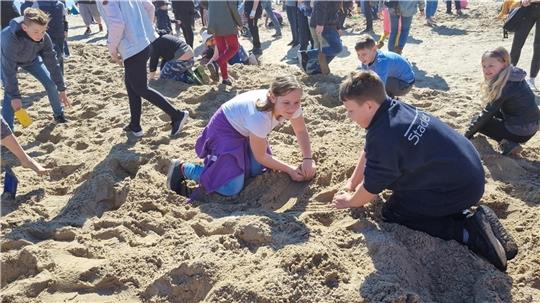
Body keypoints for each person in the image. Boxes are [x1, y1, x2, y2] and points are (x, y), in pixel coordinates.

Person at [332, 70, 517, 271]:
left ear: (368, 105)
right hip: (469, 174)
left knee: (394, 211)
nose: (349, 116)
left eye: (350, 110)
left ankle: (467, 231)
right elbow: (369, 151)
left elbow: (370, 189)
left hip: (458, 188)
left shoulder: (383, 136)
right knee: (414, 188)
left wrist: (349, 201)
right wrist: (351, 182)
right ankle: (474, 216)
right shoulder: (393, 109)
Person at [166, 75, 316, 197]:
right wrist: (290, 169)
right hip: (224, 130)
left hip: (245, 130)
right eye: (286, 102)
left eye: (297, 102)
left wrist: (307, 159)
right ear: (272, 97)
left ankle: (228, 168)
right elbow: (261, 156)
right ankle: (184, 169)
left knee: (256, 171)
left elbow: (301, 131)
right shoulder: (260, 117)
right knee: (231, 188)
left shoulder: (292, 105)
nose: (292, 107)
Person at [96, 0, 188, 137]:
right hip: (143, 43)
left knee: (140, 88)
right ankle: (135, 125)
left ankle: (177, 115)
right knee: (132, 86)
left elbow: (117, 23)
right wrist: (145, 29)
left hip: (132, 47)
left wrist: (112, 49)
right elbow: (150, 7)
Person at [1, 8, 71, 129]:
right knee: (10, 95)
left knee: (50, 84)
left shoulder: (44, 38)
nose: (40, 35)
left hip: (31, 60)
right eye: (36, 32)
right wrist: (15, 97)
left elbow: (53, 63)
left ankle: (59, 115)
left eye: (43, 31)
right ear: (24, 28)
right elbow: (9, 72)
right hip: (6, 60)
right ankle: (7, 132)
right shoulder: (9, 39)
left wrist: (61, 88)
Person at [464, 47, 539, 155]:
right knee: (491, 113)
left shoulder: (505, 86)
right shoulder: (514, 76)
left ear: (504, 64)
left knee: (478, 120)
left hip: (521, 131)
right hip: (532, 125)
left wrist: (467, 135)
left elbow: (487, 113)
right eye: (484, 66)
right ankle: (509, 141)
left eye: (491, 65)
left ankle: (509, 143)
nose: (486, 69)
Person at [207, 0, 242, 86]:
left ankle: (225, 78)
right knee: (234, 47)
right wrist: (240, 23)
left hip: (214, 26)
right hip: (227, 24)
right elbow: (233, 8)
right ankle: (216, 64)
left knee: (222, 52)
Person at [509, 0, 540, 91]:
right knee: (517, 43)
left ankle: (532, 80)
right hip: (528, 7)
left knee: (538, 47)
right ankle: (508, 74)